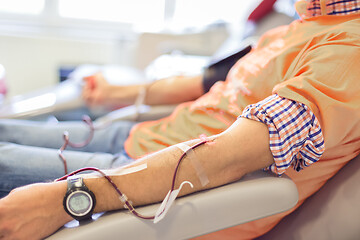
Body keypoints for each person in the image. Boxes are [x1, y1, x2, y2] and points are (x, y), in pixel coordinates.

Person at [0, 0, 359, 239]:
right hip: (141, 138)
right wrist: (117, 94)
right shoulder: (298, 27)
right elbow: (203, 83)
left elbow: (226, 157)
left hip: (149, 178)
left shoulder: (348, 53)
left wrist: (67, 197)